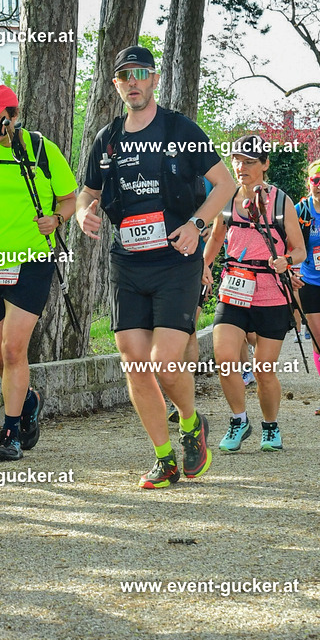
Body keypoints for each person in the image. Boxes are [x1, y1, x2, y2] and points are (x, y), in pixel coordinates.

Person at [76, 45, 234, 489]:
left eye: (141, 74)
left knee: (164, 361)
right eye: (125, 76)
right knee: (135, 365)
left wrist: (197, 224)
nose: (133, 82)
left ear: (154, 79)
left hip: (175, 259)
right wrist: (82, 212)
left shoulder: (180, 129)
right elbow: (86, 192)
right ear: (116, 84)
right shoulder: (108, 138)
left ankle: (190, 423)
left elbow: (225, 183)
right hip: (127, 262)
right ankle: (164, 458)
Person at [0, 84, 77, 461]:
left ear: (12, 114)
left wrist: (57, 218)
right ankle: (28, 400)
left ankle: (9, 433)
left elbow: (70, 198)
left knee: (13, 348)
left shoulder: (42, 148)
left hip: (32, 259)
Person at [202, 135, 306, 451]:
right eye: (237, 160)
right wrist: (203, 267)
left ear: (264, 164)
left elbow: (300, 249)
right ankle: (238, 420)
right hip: (233, 289)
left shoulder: (280, 201)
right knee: (225, 359)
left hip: (272, 295)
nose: (241, 166)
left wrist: (285, 261)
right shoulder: (227, 198)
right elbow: (216, 240)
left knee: (263, 370)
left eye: (249, 161)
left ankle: (271, 427)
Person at [294, 158, 320, 414]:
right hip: (311, 282)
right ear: (309, 182)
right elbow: (288, 243)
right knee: (319, 340)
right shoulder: (300, 211)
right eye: (317, 180)